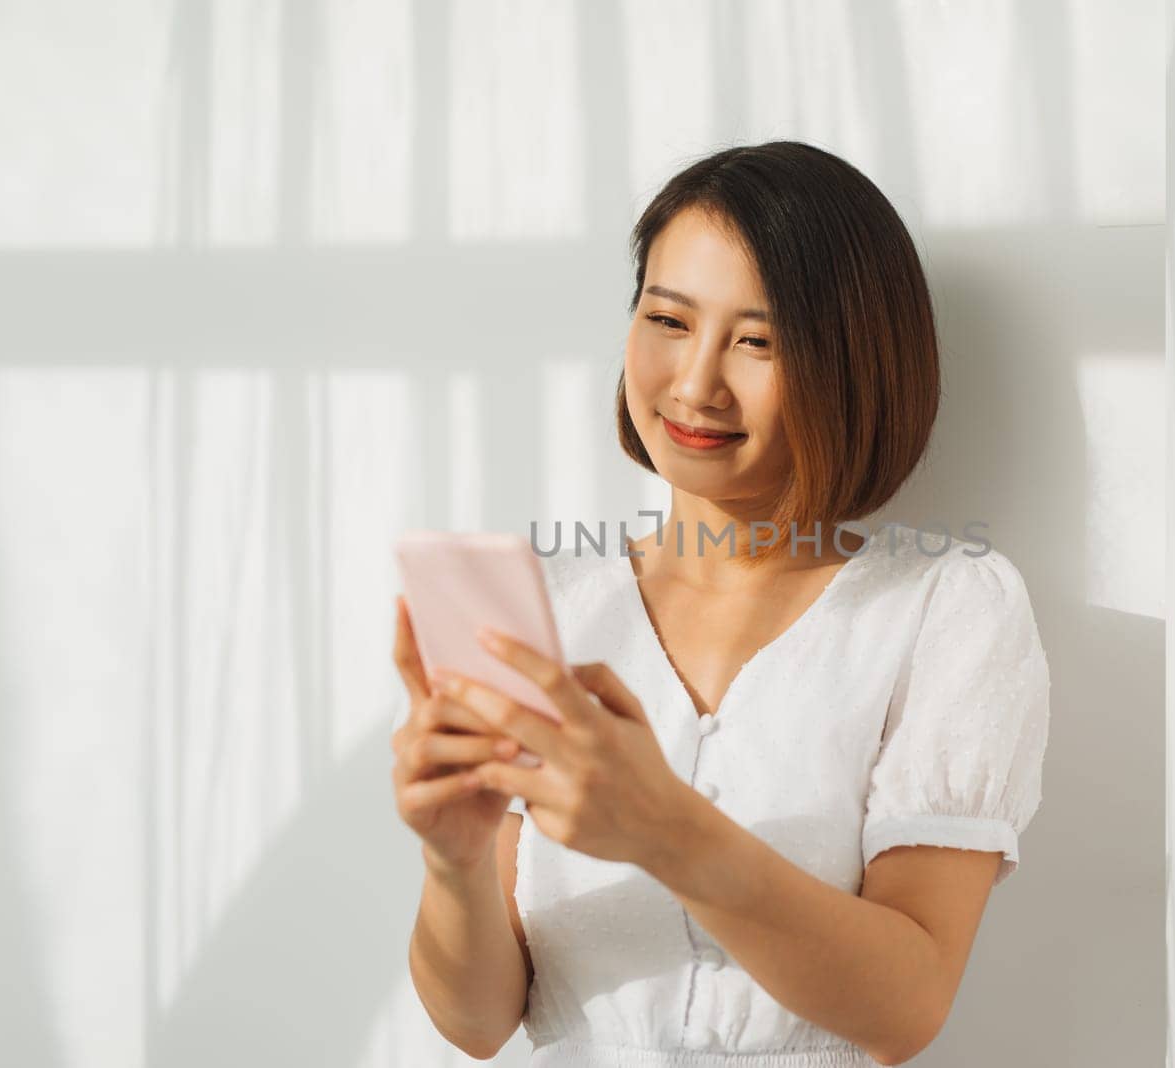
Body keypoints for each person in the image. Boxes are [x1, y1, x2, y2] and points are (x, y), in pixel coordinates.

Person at [390, 141, 1051, 1067]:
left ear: (853, 365)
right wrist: (454, 860)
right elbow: (477, 1023)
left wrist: (667, 832)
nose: (695, 384)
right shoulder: (546, 604)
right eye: (668, 320)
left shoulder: (947, 609)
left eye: (758, 340)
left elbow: (908, 1007)